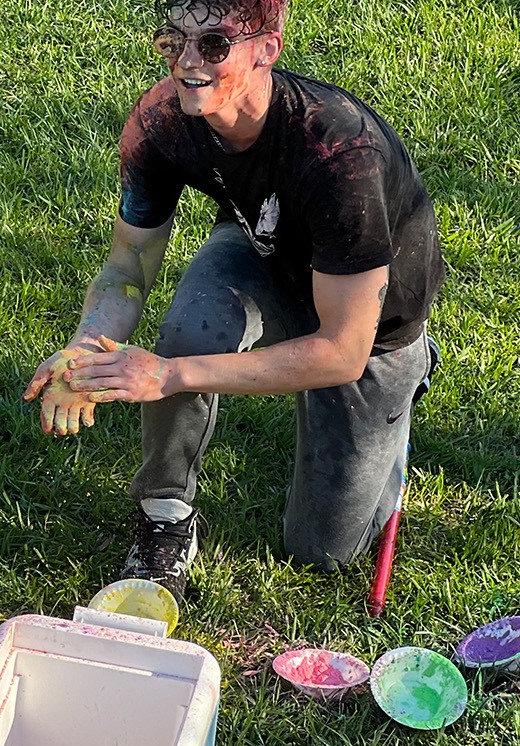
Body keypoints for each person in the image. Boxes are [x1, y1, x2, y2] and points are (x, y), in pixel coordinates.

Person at [22, 0, 442, 599]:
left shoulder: (340, 154)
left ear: (266, 49)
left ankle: (409, 377)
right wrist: (89, 346)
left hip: (371, 329)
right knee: (190, 327)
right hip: (263, 253)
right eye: (174, 41)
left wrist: (170, 375)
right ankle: (165, 514)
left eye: (214, 45)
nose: (188, 63)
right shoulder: (162, 122)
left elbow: (342, 351)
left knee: (322, 552)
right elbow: (129, 265)